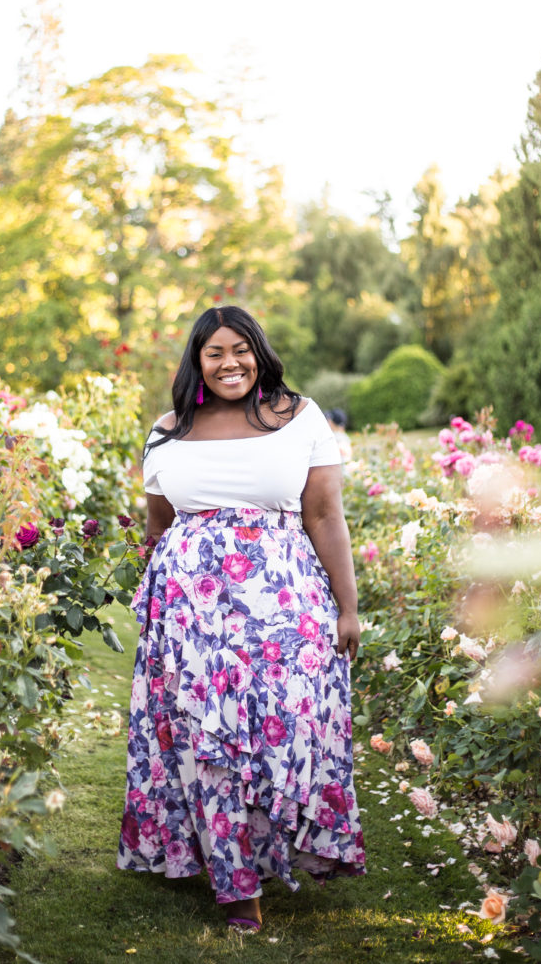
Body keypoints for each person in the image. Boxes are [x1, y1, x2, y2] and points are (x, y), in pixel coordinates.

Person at [117, 306, 365, 933]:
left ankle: (273, 844)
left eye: (241, 350)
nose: (230, 363)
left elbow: (326, 517)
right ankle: (235, 884)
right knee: (207, 742)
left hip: (283, 601)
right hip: (189, 609)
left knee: (288, 723)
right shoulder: (167, 430)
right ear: (196, 362)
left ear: (260, 352)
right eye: (215, 353)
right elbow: (157, 525)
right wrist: (157, 601)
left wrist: (348, 606)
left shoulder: (299, 417)